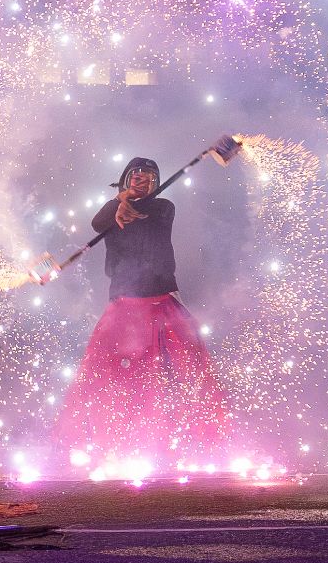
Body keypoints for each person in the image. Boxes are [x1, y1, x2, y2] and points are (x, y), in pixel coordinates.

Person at [53, 155, 230, 465]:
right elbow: (97, 224)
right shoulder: (110, 211)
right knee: (112, 377)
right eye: (136, 176)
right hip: (124, 304)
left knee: (187, 369)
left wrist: (128, 206)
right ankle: (107, 447)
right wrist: (120, 203)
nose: (142, 180)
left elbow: (148, 212)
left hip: (161, 302)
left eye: (149, 178)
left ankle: (198, 445)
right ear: (124, 181)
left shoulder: (163, 208)